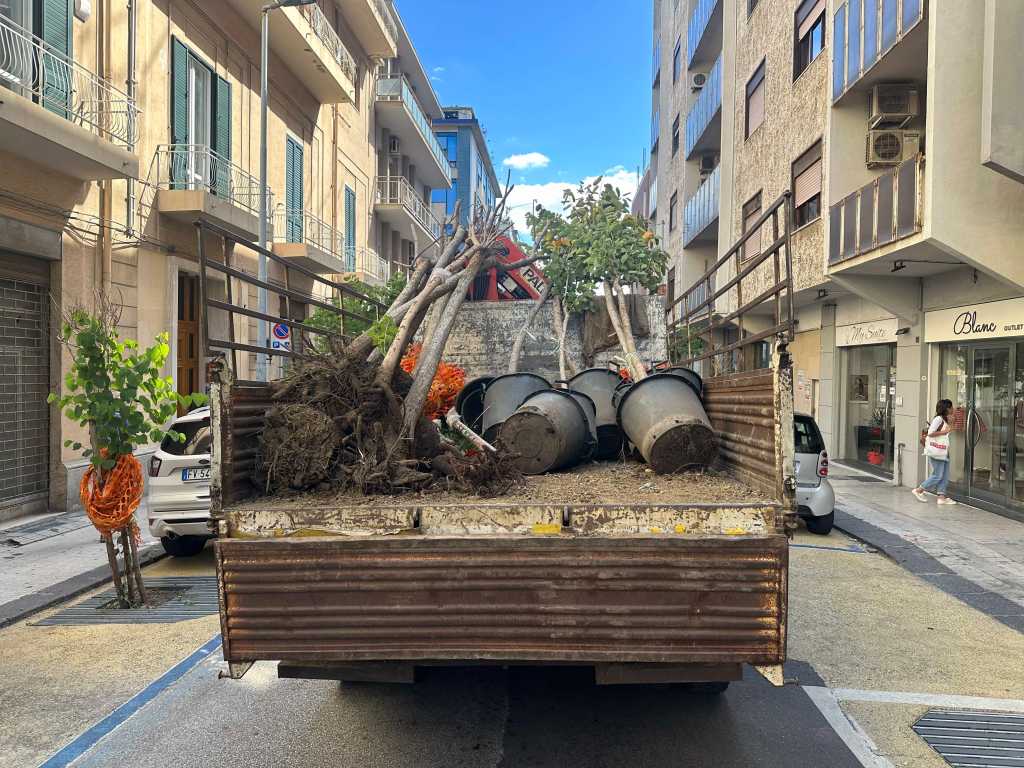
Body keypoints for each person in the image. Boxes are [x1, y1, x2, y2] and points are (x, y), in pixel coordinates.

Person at [913, 399, 956, 505]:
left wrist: (950, 424)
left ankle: (941, 497)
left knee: (944, 475)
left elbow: (947, 432)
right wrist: (944, 431)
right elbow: (931, 433)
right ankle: (919, 490)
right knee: (938, 475)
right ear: (946, 408)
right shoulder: (938, 419)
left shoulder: (945, 419)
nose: (953, 409)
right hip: (936, 450)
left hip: (943, 450)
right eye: (951, 407)